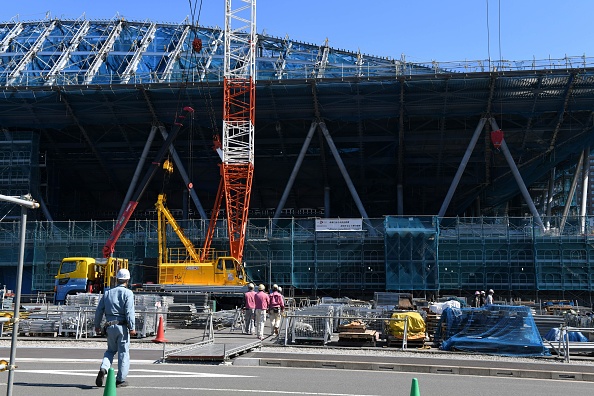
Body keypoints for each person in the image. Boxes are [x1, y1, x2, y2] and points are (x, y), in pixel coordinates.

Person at [94, 268, 136, 388]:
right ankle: (120, 379)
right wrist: (132, 327)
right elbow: (129, 312)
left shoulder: (107, 293)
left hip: (109, 327)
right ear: (127, 280)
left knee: (110, 351)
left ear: (117, 279)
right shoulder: (128, 293)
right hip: (122, 327)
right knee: (123, 353)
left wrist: (97, 325)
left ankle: (103, 369)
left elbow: (99, 311)